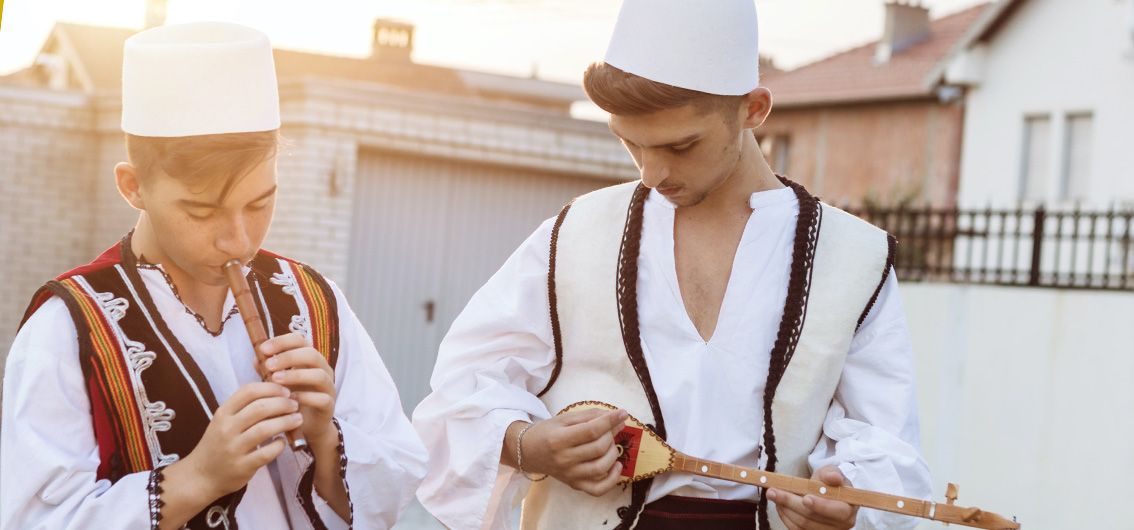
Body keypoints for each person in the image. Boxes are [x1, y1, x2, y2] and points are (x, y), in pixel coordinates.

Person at [412, 1, 932, 529]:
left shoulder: (854, 259)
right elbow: (462, 387)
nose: (652, 173)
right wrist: (528, 444)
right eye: (630, 143)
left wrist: (848, 506)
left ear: (753, 109)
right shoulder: (576, 234)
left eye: (681, 146)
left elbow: (885, 444)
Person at [1, 21, 427, 529]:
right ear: (133, 186)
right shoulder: (66, 327)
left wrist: (326, 438)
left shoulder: (316, 301)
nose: (239, 241)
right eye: (202, 212)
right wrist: (198, 477)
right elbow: (33, 519)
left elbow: (398, 482)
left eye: (260, 203)